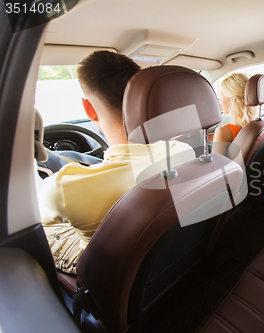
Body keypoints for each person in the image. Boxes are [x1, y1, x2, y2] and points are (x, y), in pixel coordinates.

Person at [39, 50, 195, 274]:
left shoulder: (63, 187)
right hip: (165, 260)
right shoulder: (184, 151)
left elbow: (39, 219)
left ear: (89, 109)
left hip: (111, 275)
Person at [212, 73, 257, 154]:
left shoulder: (223, 131)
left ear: (232, 99)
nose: (220, 100)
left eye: (222, 95)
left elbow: (215, 166)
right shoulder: (257, 125)